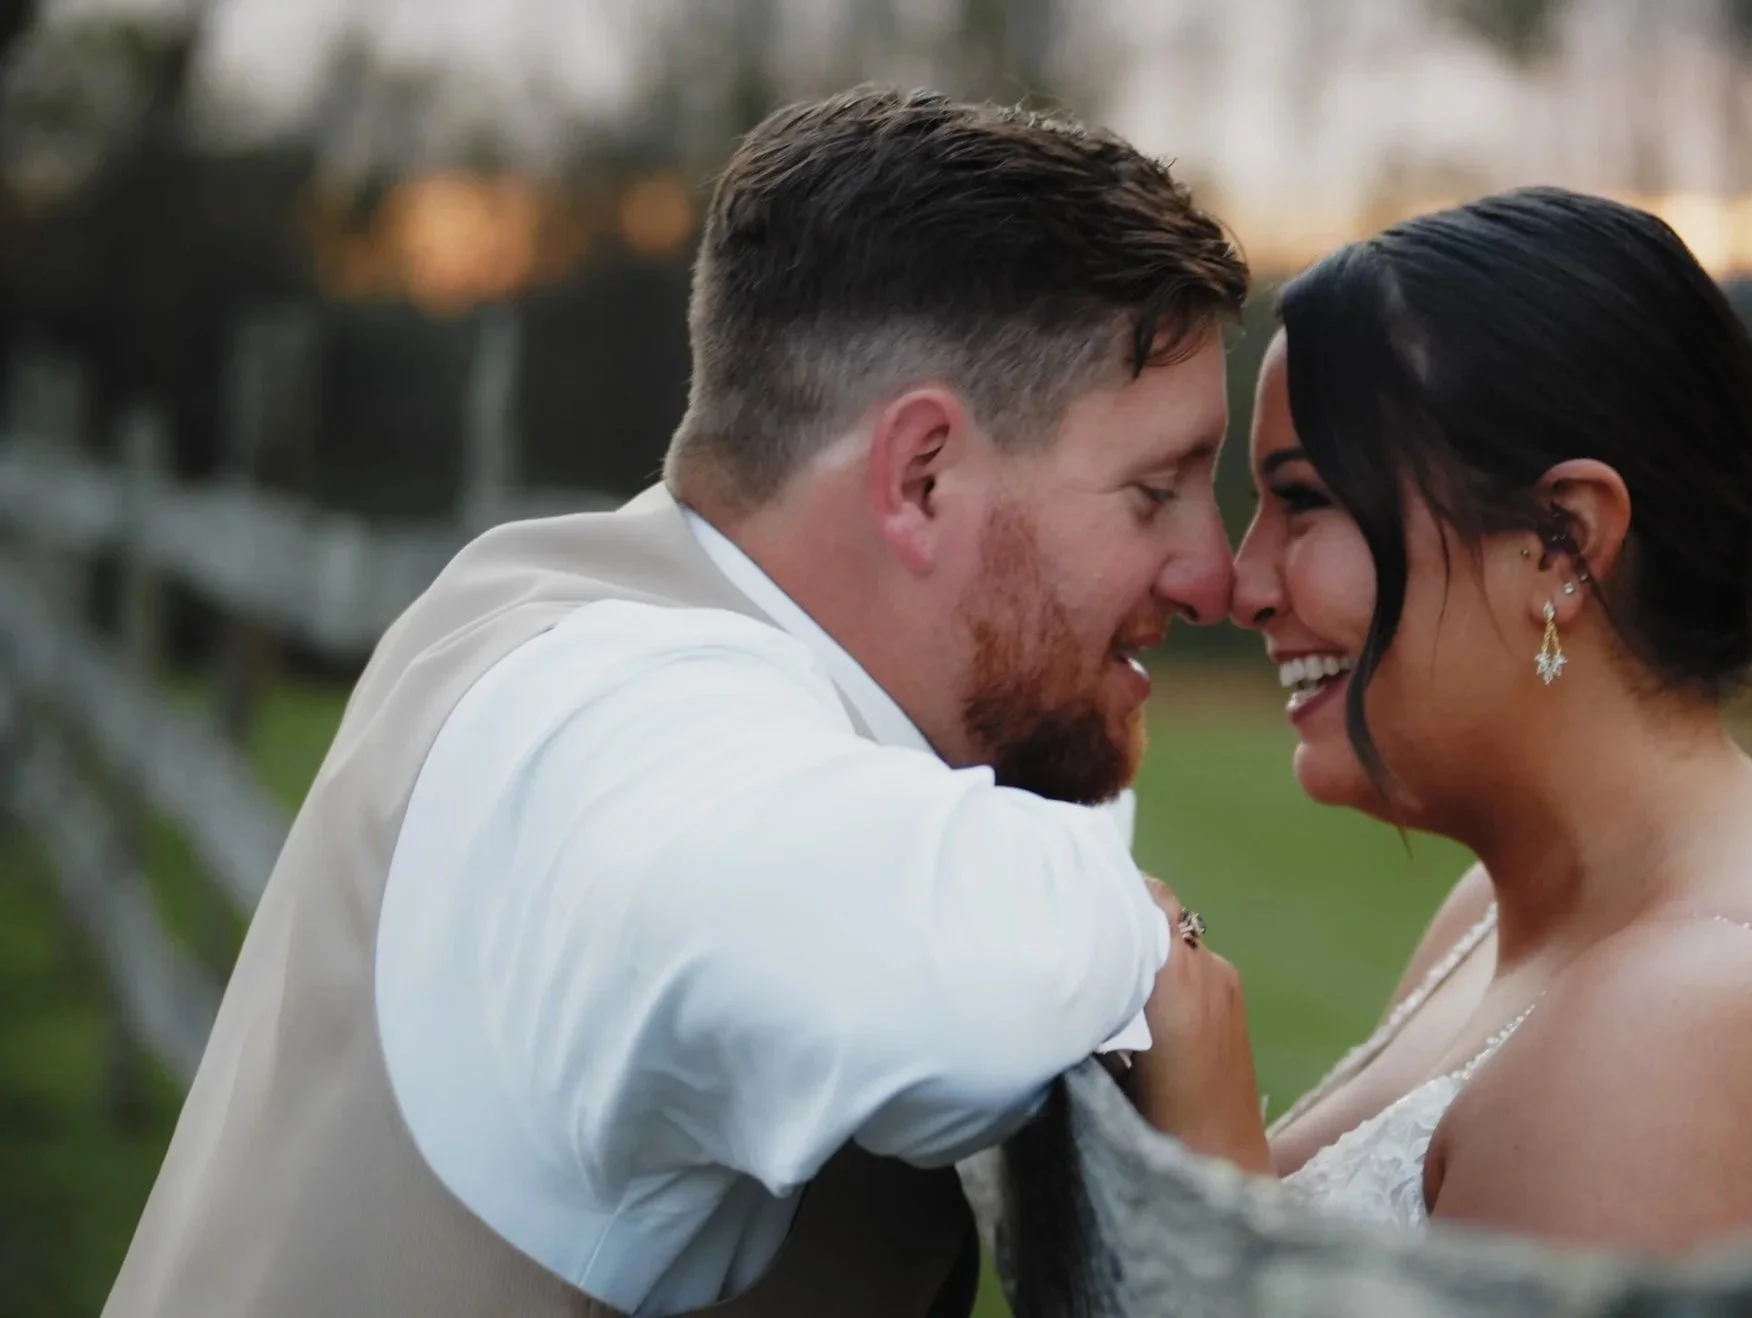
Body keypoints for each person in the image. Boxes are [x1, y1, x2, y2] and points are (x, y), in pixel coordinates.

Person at [102, 87, 1252, 1318]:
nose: (1215, 575)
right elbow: (973, 986)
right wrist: (1154, 943)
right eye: (1153, 491)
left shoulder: (570, 619)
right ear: (919, 477)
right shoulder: (618, 718)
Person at [1143, 188, 1752, 1314]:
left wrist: (1204, 1181)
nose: (1241, 584)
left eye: (1302, 502)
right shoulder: (1495, 912)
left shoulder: (1688, 1035)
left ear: (1559, 543)